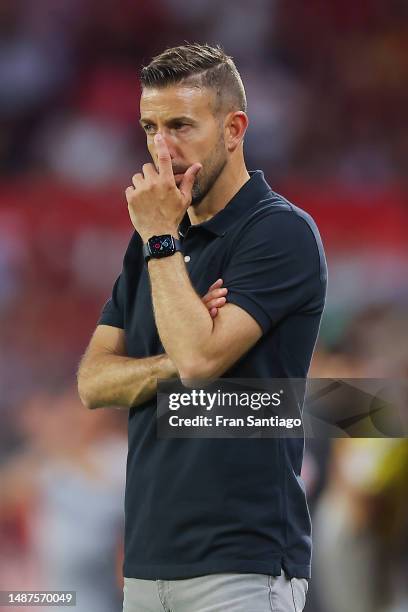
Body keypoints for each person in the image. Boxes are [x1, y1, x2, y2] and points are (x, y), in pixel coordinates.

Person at [77, 43, 327, 612]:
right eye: (150, 127)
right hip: (146, 563)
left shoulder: (278, 233)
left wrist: (162, 242)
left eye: (181, 125)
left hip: (243, 564)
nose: (161, 148)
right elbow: (93, 383)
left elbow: (198, 363)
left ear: (234, 128)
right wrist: (178, 355)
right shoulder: (151, 243)